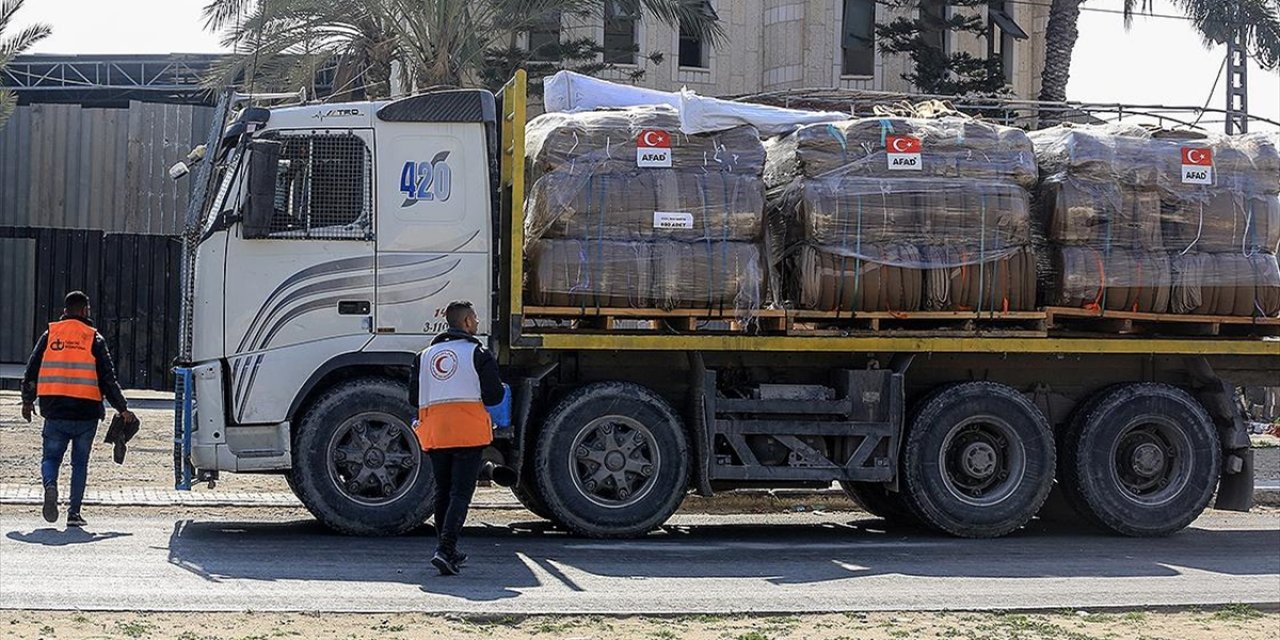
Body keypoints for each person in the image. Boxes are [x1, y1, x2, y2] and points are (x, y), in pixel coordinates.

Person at [21, 291, 135, 527]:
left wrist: (27, 400)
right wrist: (122, 408)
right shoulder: (94, 338)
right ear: (84, 310)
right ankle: (74, 513)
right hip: (86, 413)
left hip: (55, 411)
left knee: (51, 458)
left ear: (65, 310)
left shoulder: (50, 334)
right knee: (79, 464)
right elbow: (108, 379)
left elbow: (31, 370)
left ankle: (50, 485)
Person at [410, 300, 504, 576]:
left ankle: (445, 548)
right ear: (465, 322)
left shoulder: (423, 356)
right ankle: (446, 549)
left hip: (435, 433)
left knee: (443, 490)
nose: (476, 322)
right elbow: (494, 396)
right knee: (460, 493)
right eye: (474, 318)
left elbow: (413, 398)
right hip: (467, 432)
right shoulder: (478, 353)